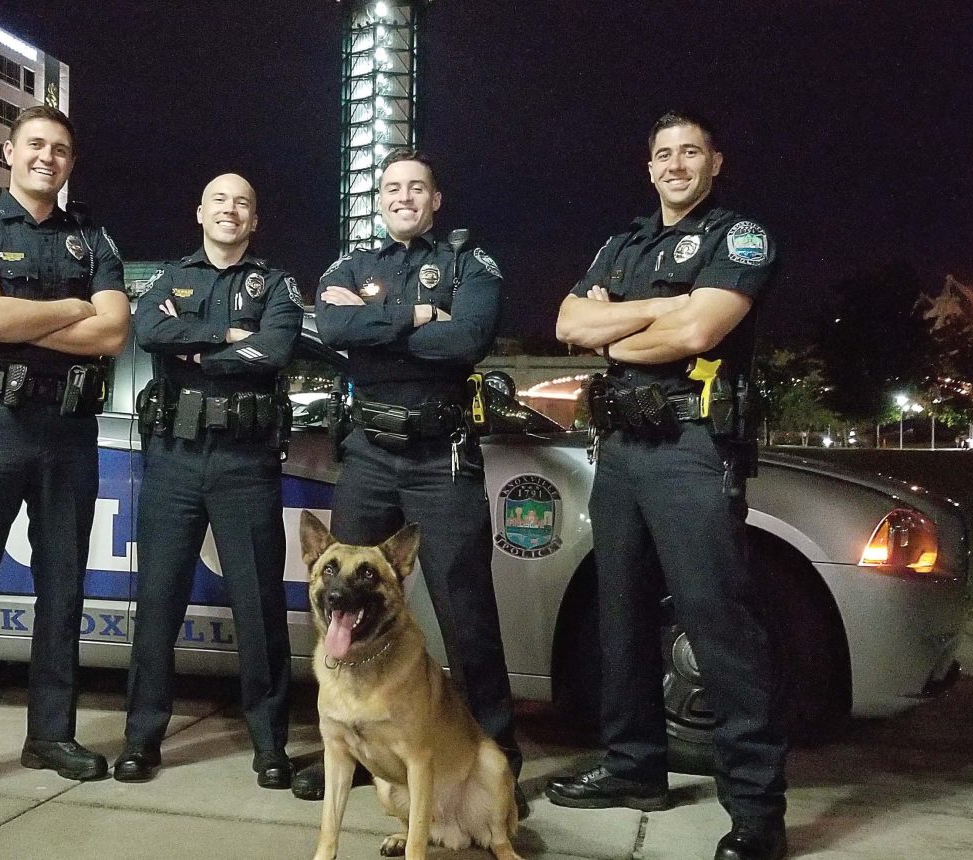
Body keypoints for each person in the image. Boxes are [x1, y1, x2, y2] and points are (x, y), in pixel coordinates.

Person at [548, 111, 787, 860]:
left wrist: (618, 323)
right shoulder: (622, 243)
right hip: (620, 447)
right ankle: (634, 768)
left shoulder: (739, 237)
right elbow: (566, 324)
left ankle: (756, 812)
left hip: (691, 445)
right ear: (648, 167)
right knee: (619, 618)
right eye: (663, 155)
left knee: (719, 627)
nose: (676, 164)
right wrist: (662, 309)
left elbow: (697, 335)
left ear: (716, 161)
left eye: (690, 152)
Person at [302, 148, 526, 817]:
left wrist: (381, 327)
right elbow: (334, 327)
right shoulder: (347, 265)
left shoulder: (470, 264)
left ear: (436, 200)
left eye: (416, 187)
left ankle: (497, 754)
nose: (403, 196)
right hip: (368, 451)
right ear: (381, 199)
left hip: (440, 455)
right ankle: (345, 743)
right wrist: (422, 315)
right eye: (392, 187)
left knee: (467, 614)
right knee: (341, 600)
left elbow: (468, 342)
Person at [0, 105, 130, 801]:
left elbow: (112, 336)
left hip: (68, 431)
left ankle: (50, 735)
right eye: (35, 144)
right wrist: (73, 308)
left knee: (64, 589)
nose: (47, 157)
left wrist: (25, 316)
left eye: (61, 148)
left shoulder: (92, 238)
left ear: (71, 162)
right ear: (9, 152)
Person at [115, 174, 301, 789]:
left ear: (255, 219)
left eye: (243, 202)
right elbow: (149, 333)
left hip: (246, 462)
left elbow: (273, 351)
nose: (231, 210)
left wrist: (193, 344)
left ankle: (270, 745)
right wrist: (226, 336)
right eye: (219, 200)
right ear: (200, 212)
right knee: (159, 602)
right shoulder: (169, 279)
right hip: (173, 457)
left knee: (259, 606)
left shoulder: (276, 286)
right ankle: (142, 739)